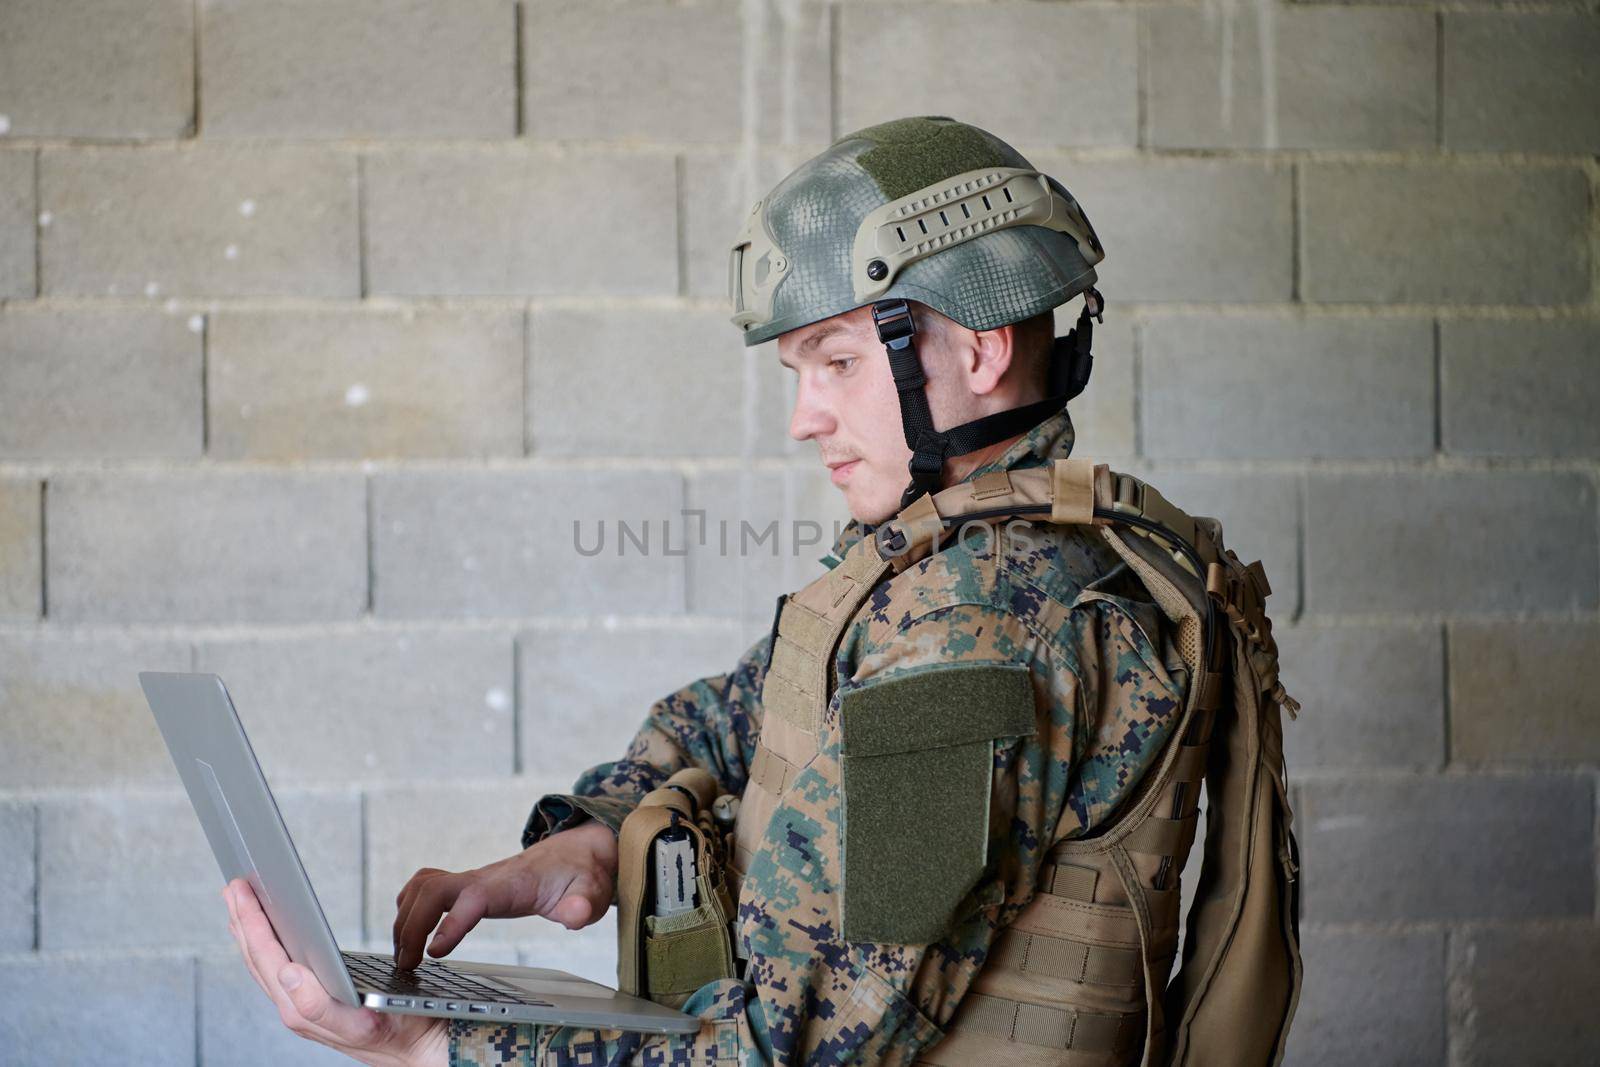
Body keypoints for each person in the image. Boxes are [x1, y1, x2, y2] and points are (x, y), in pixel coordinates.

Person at [225, 116, 1299, 1067]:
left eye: (835, 362)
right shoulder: (933, 573)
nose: (804, 418)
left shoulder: (984, 635)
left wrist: (433, 1046)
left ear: (978, 350)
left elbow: (784, 1042)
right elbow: (743, 709)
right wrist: (587, 836)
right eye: (798, 374)